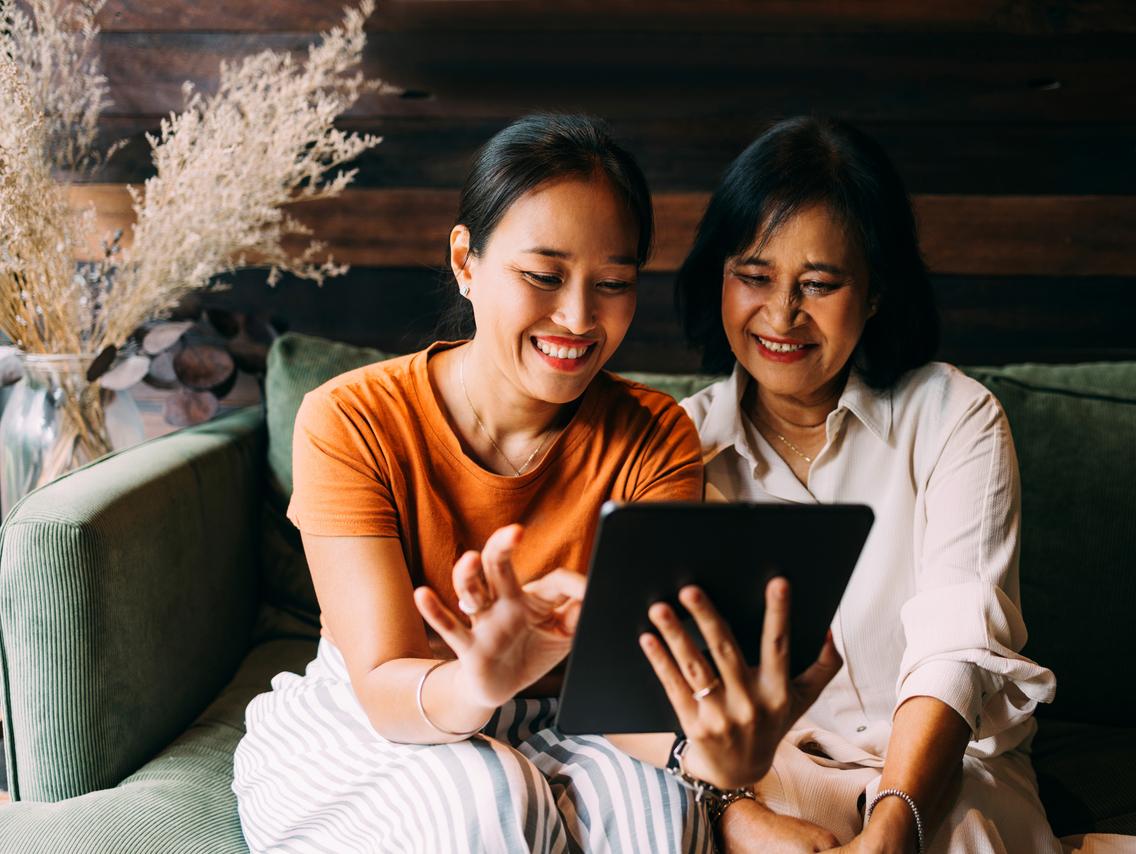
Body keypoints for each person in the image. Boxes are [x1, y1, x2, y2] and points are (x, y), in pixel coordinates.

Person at [233, 114, 750, 854]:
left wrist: (723, 769)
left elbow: (632, 686)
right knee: (487, 805)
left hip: (572, 723)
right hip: (390, 708)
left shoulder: (655, 435)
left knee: (661, 823)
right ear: (466, 262)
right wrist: (481, 678)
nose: (578, 317)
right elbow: (383, 682)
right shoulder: (350, 418)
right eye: (542, 276)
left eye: (612, 284)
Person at [647, 116, 1060, 853]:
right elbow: (665, 696)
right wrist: (740, 813)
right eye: (754, 276)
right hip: (767, 782)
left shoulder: (954, 417)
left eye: (819, 284)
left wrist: (897, 820)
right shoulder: (679, 446)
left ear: (874, 293)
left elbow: (955, 651)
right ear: (719, 277)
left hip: (947, 772)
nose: (781, 315)